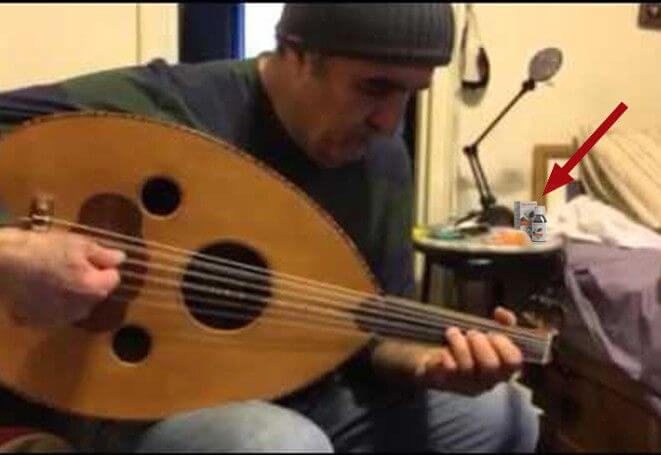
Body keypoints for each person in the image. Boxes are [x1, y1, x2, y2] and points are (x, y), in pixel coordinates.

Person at [0, 4, 540, 452]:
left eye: (411, 94)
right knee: (280, 444)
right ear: (297, 54)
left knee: (504, 414)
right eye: (374, 87)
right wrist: (14, 250)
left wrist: (427, 363)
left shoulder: (383, 160)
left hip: (311, 391)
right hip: (141, 398)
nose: (390, 122)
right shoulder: (171, 106)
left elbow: (371, 332)